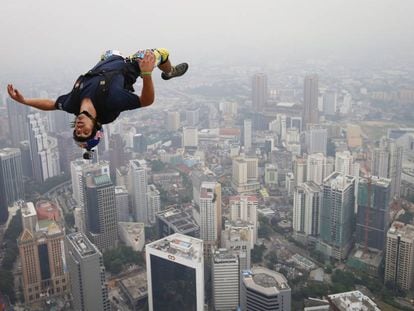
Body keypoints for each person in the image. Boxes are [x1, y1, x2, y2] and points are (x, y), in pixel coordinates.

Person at [7, 48, 188, 158]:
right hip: (133, 65)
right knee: (161, 53)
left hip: (108, 58)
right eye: (85, 131)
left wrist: (23, 101)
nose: (79, 127)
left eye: (77, 131)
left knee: (109, 51)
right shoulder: (111, 102)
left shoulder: (72, 104)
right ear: (95, 126)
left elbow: (51, 104)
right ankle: (169, 72)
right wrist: (147, 73)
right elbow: (146, 101)